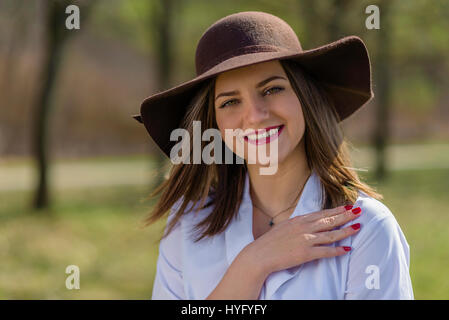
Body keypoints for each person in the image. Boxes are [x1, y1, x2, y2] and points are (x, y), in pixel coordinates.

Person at [133, 11, 414, 300]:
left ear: (305, 97)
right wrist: (252, 265)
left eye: (272, 89)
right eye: (230, 101)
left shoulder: (365, 229)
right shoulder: (187, 226)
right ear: (213, 122)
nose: (255, 115)